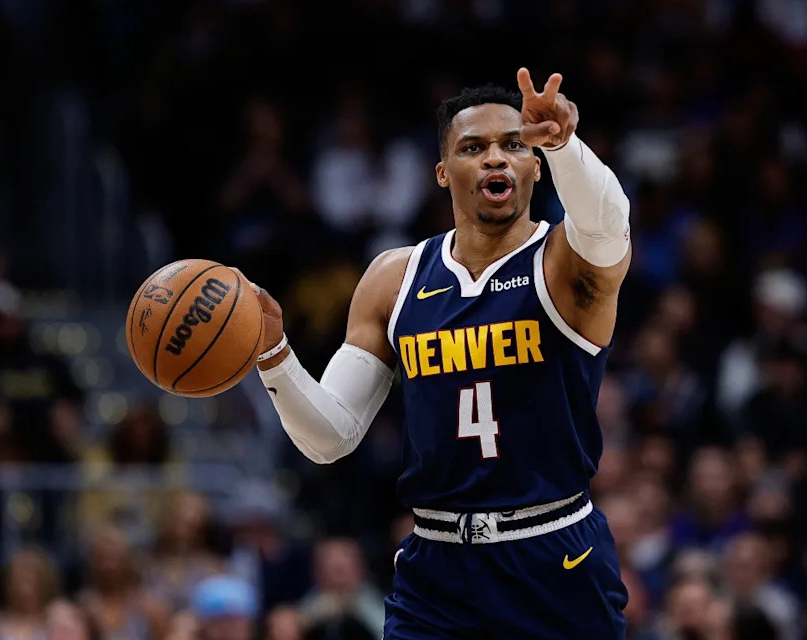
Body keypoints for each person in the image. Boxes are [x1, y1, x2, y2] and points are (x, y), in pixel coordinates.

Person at [244, 67, 632, 638]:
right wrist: (274, 353)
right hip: (438, 567)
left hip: (555, 556)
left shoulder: (564, 262)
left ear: (533, 164)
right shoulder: (392, 278)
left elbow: (608, 223)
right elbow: (330, 437)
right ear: (443, 172)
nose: (496, 158)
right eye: (473, 148)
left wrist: (565, 145)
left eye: (514, 146)